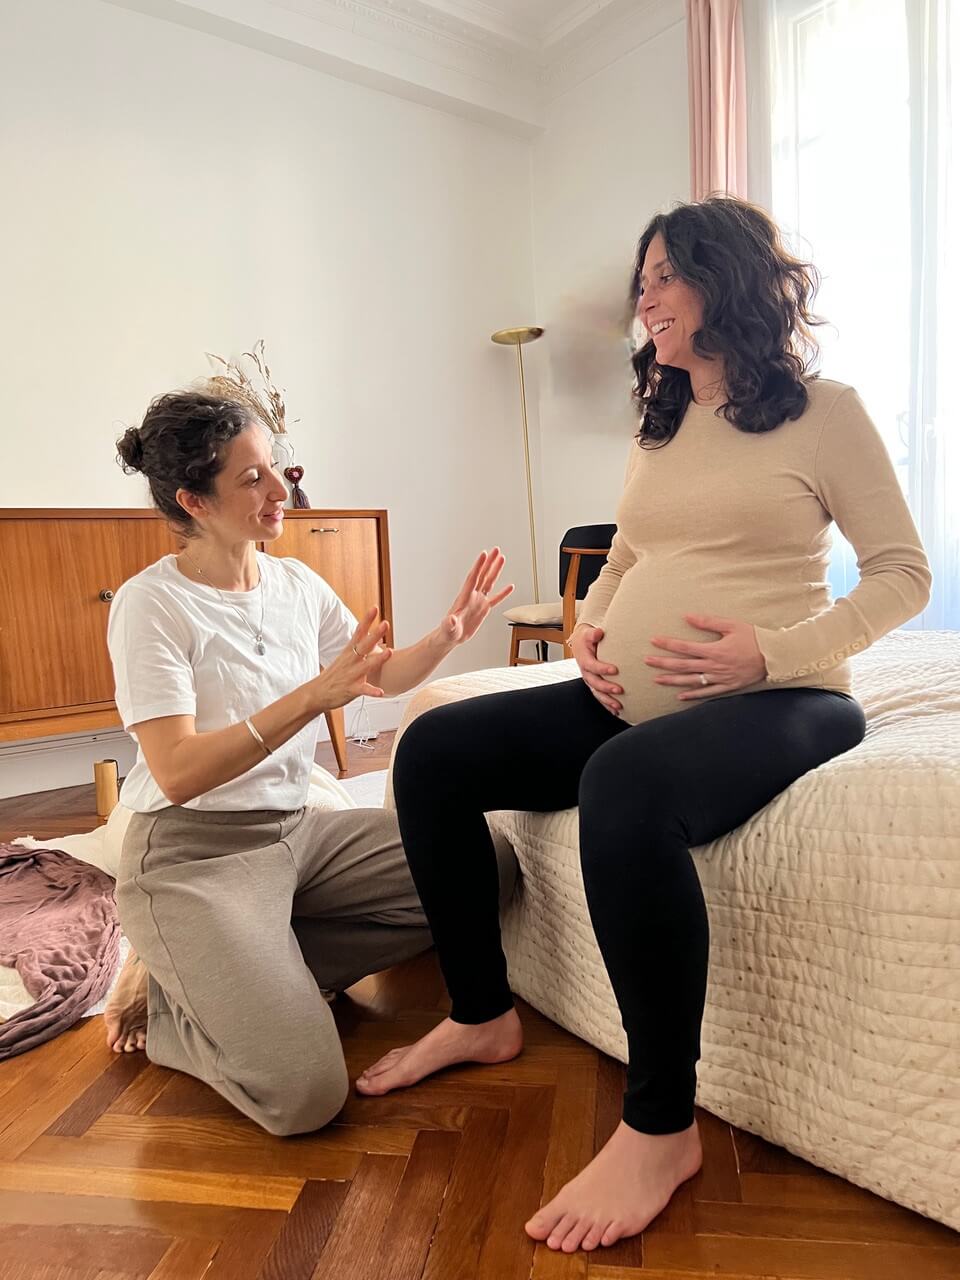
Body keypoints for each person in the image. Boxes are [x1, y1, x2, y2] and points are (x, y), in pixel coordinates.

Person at [355, 196, 932, 1251]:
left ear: (731, 281)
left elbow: (905, 573)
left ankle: (662, 1126)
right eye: (644, 277)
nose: (646, 296)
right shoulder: (659, 421)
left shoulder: (824, 410)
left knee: (623, 785)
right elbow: (627, 553)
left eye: (667, 273)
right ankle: (482, 1010)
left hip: (788, 696)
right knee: (433, 745)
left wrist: (770, 649)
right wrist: (589, 628)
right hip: (627, 690)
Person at [103, 390, 513, 1135]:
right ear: (194, 501)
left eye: (275, 469)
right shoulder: (150, 606)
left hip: (299, 833)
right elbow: (178, 772)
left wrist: (447, 636)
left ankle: (253, 974)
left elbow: (372, 676)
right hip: (193, 857)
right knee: (304, 1097)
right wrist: (308, 698)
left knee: (484, 861)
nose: (280, 491)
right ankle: (174, 1012)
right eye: (251, 479)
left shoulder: (293, 582)